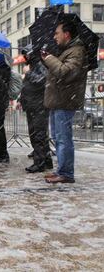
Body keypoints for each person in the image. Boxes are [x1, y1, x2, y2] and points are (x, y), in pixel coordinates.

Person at [41, 21, 88, 183]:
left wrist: (50, 59)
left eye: (57, 33)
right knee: (57, 137)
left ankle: (66, 173)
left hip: (65, 101)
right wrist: (47, 59)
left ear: (66, 34)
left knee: (63, 138)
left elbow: (65, 72)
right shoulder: (66, 51)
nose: (54, 37)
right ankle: (61, 170)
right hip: (58, 101)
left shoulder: (77, 51)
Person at [20, 44, 53, 173]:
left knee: (38, 135)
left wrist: (28, 74)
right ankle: (46, 161)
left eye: (27, 53)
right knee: (39, 135)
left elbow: (42, 80)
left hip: (38, 106)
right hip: (33, 106)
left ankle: (40, 163)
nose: (25, 56)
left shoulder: (39, 65)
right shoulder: (34, 65)